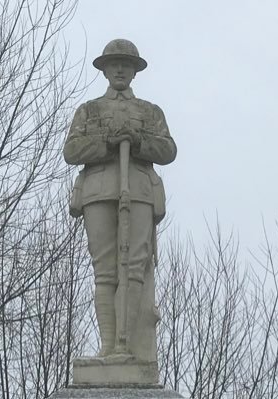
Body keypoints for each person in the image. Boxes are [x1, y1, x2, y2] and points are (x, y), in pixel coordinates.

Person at [64, 39, 177, 359]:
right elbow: (71, 151)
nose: (119, 70)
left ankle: (126, 348)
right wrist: (108, 142)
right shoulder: (89, 110)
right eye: (113, 64)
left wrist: (138, 141)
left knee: (134, 267)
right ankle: (108, 345)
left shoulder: (149, 111)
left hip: (139, 192)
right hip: (98, 192)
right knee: (105, 271)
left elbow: (168, 150)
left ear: (134, 72)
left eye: (125, 65)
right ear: (104, 70)